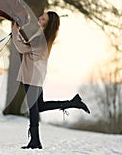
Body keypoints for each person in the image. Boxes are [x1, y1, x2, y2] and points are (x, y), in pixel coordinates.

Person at [12, 11, 90, 149]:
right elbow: (27, 46)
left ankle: (35, 141)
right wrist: (17, 31)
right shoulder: (42, 36)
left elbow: (21, 47)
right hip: (34, 75)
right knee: (39, 106)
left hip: (32, 76)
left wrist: (14, 30)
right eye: (41, 16)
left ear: (48, 24)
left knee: (33, 108)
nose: (39, 18)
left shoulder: (41, 37)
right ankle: (73, 103)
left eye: (43, 19)